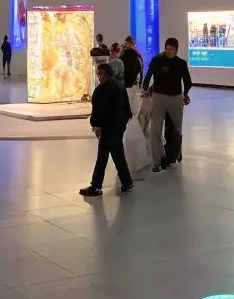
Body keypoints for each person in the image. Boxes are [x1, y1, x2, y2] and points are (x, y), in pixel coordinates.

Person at [80, 62, 134, 197]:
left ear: (103, 74)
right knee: (117, 154)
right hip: (119, 124)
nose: (98, 77)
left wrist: (96, 125)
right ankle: (127, 182)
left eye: (99, 74)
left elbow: (99, 110)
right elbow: (126, 106)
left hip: (109, 126)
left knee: (102, 156)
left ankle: (96, 186)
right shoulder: (119, 85)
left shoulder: (101, 90)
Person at [142, 37, 193, 172]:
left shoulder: (180, 63)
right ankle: (157, 160)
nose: (171, 52)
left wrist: (185, 93)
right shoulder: (157, 60)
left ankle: (175, 154)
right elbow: (148, 75)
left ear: (177, 50)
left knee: (177, 129)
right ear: (165, 48)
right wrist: (145, 89)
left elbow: (188, 81)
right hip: (158, 97)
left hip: (176, 98)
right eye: (168, 49)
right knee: (155, 130)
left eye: (173, 50)